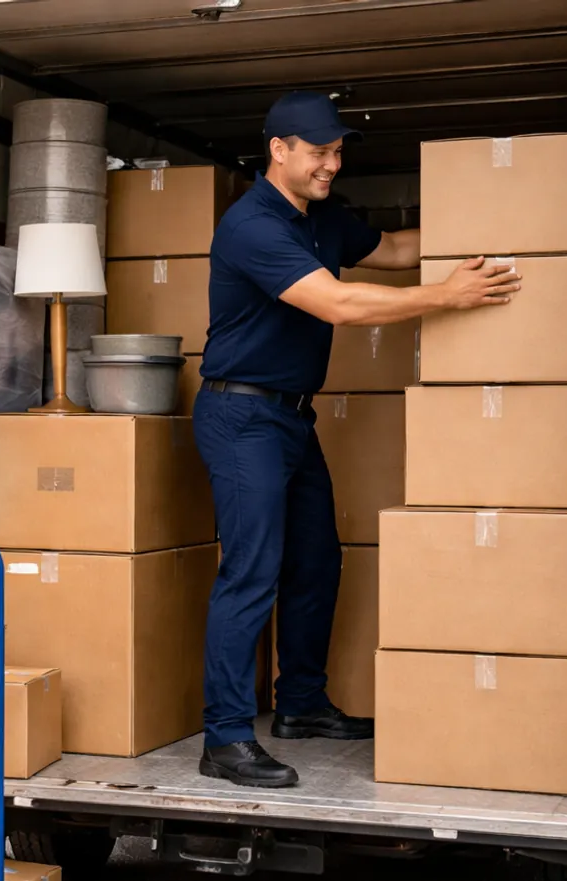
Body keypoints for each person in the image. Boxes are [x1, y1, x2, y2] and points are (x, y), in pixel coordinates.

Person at [194, 92, 522, 789]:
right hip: (241, 416)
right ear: (278, 149)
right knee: (252, 570)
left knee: (317, 561)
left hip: (289, 417)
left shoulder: (322, 221)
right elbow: (338, 304)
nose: (332, 164)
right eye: (319, 152)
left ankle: (301, 705)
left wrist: (501, 216)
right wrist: (447, 296)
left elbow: (398, 249)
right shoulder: (252, 226)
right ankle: (223, 738)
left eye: (338, 151)